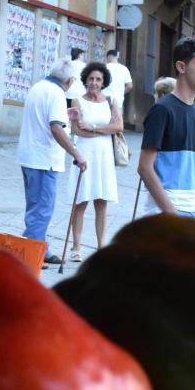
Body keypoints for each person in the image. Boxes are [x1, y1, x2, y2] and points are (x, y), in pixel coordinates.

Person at [17, 59, 87, 264]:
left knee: (35, 206)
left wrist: (66, 114)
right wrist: (76, 153)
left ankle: (38, 248)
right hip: (43, 159)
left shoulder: (38, 87)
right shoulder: (57, 93)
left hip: (30, 156)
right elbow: (56, 128)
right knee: (42, 208)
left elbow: (45, 118)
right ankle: (33, 254)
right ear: (70, 80)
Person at [139, 37, 195, 218]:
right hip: (164, 213)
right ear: (181, 67)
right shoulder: (162, 110)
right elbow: (144, 167)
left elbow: (194, 166)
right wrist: (171, 211)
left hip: (194, 210)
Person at [64, 62, 122, 261]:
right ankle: (76, 247)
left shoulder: (111, 101)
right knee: (80, 201)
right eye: (91, 79)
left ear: (104, 81)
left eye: (98, 79)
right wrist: (103, 128)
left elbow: (119, 126)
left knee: (101, 203)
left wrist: (94, 128)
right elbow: (77, 130)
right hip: (85, 153)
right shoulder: (77, 101)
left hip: (104, 155)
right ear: (85, 80)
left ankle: (101, 247)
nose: (94, 83)